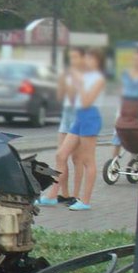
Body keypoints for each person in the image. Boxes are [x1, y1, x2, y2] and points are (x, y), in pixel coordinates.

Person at [38, 48, 106, 210]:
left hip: (90, 116)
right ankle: (52, 195)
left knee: (88, 160)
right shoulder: (84, 76)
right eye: (87, 58)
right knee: (61, 155)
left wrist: (79, 83)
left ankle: (85, 200)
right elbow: (71, 98)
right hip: (78, 116)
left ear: (98, 62)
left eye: (91, 59)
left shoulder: (98, 79)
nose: (87, 62)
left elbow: (87, 101)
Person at [108, 49, 138, 165]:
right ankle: (113, 162)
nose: (135, 61)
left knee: (136, 131)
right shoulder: (126, 73)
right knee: (119, 130)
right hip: (125, 104)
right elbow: (121, 88)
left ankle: (135, 160)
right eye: (134, 59)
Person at [51, 48, 83, 204]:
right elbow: (60, 96)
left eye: (76, 57)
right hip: (66, 117)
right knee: (60, 157)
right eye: (71, 58)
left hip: (78, 117)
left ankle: (76, 195)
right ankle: (64, 193)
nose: (73, 61)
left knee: (77, 158)